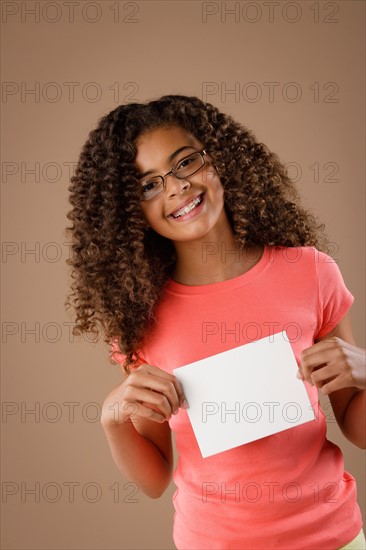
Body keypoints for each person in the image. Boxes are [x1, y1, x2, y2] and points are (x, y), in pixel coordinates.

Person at [65, 95, 366, 550]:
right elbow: (154, 479)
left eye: (185, 162)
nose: (176, 188)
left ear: (219, 159)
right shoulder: (141, 320)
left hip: (333, 537)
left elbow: (357, 429)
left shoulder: (312, 271)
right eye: (148, 186)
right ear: (133, 215)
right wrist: (113, 420)